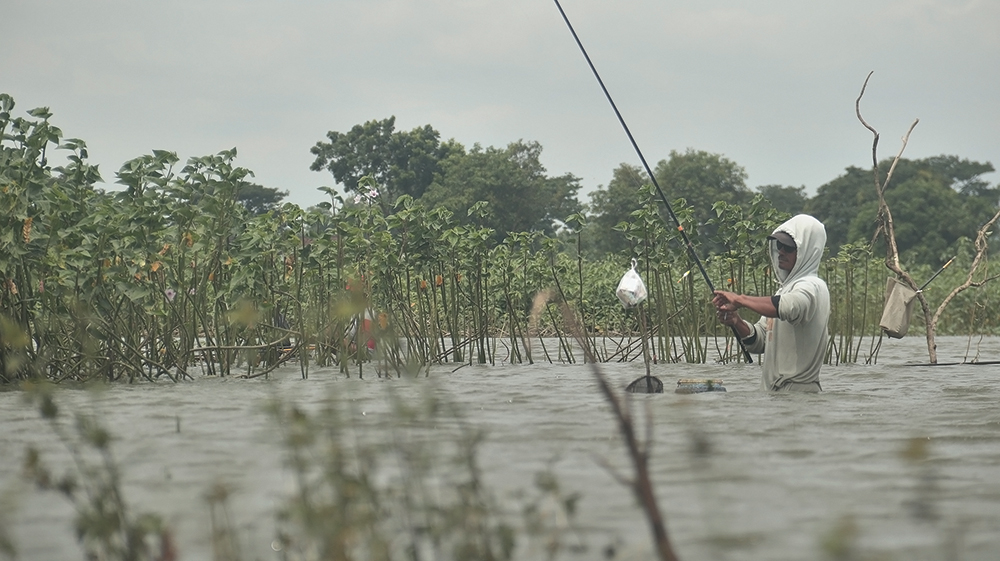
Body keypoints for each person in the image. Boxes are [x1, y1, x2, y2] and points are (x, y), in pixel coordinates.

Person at [712, 214, 830, 392]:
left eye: (788, 248)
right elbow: (760, 341)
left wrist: (740, 299)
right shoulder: (783, 291)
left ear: (807, 250)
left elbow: (789, 307)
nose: (781, 252)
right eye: (779, 246)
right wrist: (736, 321)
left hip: (798, 394)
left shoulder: (812, 286)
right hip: (776, 394)